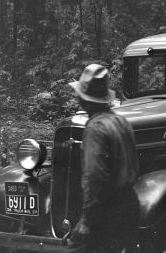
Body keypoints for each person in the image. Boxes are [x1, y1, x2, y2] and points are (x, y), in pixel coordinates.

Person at [67, 64, 140, 252]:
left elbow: (94, 177)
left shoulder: (95, 129)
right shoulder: (121, 121)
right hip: (129, 204)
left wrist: (87, 221)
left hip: (107, 210)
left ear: (86, 101)